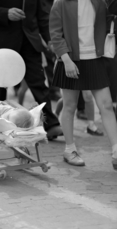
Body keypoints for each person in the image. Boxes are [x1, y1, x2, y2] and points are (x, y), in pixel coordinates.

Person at [0, 0, 63, 141]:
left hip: (30, 40)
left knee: (38, 82)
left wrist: (50, 39)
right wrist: (5, 13)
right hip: (1, 40)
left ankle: (50, 124)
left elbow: (43, 13)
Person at [50, 0, 117, 169]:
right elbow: (55, 34)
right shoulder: (61, 3)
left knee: (107, 105)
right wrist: (65, 60)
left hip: (96, 59)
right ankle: (69, 149)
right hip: (71, 59)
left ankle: (116, 151)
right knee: (70, 106)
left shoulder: (100, 2)